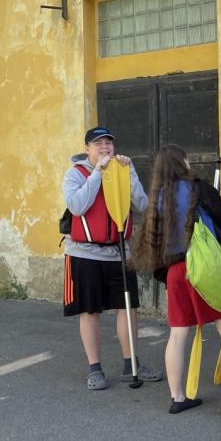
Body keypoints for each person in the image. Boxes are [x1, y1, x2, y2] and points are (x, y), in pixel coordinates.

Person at [133, 144, 221, 413]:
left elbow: (155, 246)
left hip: (175, 272)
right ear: (183, 162)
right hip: (206, 268)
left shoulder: (158, 200)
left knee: (177, 335)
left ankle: (178, 397)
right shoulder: (201, 189)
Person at [62, 127, 162, 389]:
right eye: (98, 143)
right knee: (90, 310)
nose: (105, 147)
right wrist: (98, 172)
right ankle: (94, 368)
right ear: (87, 149)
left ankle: (131, 365)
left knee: (127, 309)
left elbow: (142, 205)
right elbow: (77, 206)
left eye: (108, 143)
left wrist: (130, 174)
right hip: (84, 253)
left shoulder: (123, 169)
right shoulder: (75, 174)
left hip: (120, 251)